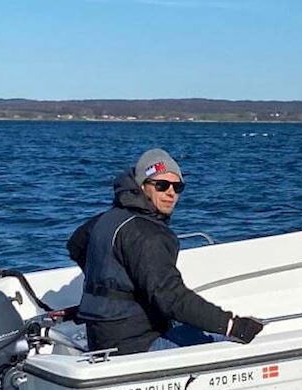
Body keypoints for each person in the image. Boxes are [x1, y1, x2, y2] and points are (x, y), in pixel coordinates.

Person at [67, 150, 266, 356]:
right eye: (161, 186)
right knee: (228, 341)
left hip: (101, 337)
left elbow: (76, 245)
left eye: (177, 187)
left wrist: (116, 280)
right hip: (136, 346)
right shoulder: (148, 235)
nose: (170, 193)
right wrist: (231, 326)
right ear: (143, 186)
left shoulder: (106, 219)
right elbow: (171, 297)